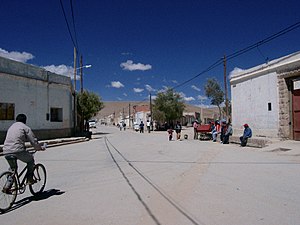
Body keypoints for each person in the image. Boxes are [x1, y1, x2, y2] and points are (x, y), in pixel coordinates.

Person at [2, 114, 44, 189]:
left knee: (13, 169)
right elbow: (33, 141)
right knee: (31, 160)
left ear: (16, 120)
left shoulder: (11, 127)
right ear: (25, 121)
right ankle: (29, 179)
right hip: (18, 150)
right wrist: (39, 148)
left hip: (6, 151)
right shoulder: (25, 127)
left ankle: (7, 185)